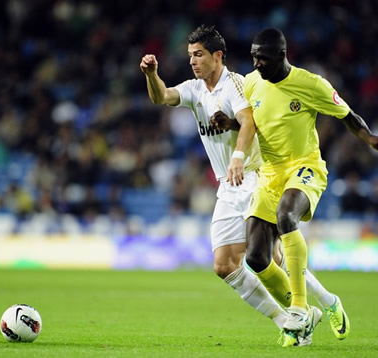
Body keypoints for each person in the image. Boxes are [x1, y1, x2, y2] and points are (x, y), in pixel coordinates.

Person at [140, 25, 335, 346]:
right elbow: (162, 96)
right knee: (224, 265)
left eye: (199, 55)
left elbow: (248, 122)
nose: (193, 61)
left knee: (270, 257)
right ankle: (292, 316)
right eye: (190, 56)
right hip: (228, 186)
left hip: (256, 176)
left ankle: (316, 308)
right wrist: (152, 74)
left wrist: (238, 157)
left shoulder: (236, 85)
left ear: (218, 56)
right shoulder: (195, 89)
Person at [226, 28, 378, 347]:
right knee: (255, 257)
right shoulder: (252, 82)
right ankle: (319, 307)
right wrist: (229, 124)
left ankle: (297, 309)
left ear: (282, 55)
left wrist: (370, 140)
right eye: (254, 57)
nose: (257, 63)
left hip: (304, 166)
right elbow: (251, 123)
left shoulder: (311, 84)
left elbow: (348, 115)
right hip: (270, 173)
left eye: (263, 58)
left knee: (286, 215)